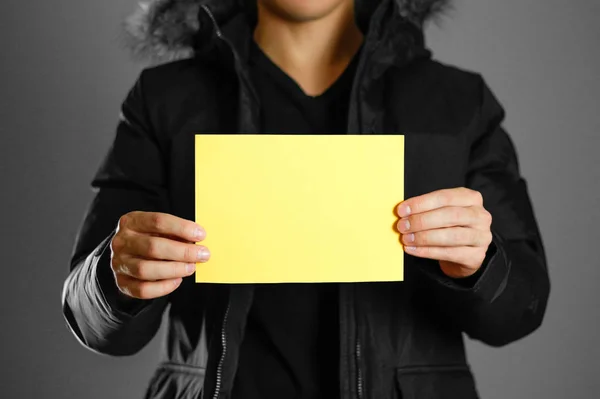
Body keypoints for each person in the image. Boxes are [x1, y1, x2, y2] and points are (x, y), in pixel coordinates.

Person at [61, 0, 551, 398]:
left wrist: (483, 265)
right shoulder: (164, 99)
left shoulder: (458, 101)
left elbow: (521, 310)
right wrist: (115, 275)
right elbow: (94, 319)